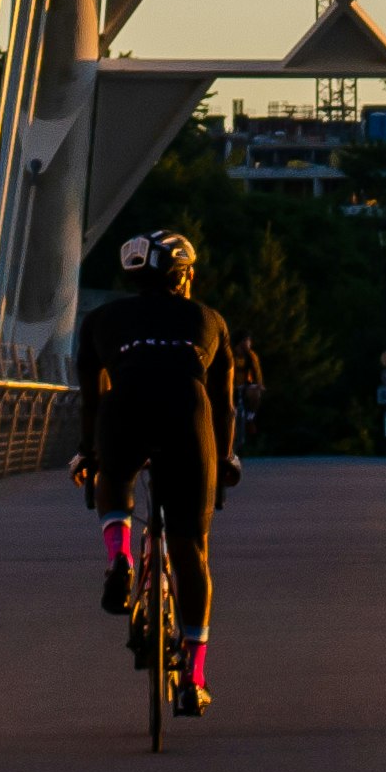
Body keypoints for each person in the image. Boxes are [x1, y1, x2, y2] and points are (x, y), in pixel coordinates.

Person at [79, 229, 241, 711]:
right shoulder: (209, 320)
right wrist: (227, 459)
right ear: (182, 275)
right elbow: (224, 407)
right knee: (192, 549)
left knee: (114, 475)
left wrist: (88, 452)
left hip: (124, 408)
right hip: (186, 419)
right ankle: (193, 679)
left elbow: (91, 401)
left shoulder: (102, 321)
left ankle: (121, 554)